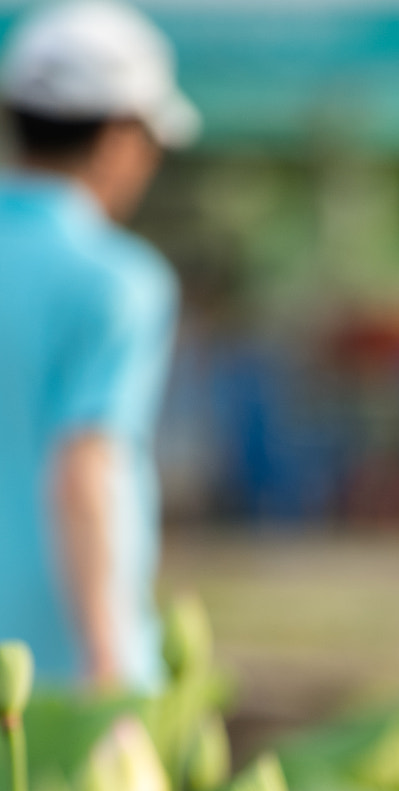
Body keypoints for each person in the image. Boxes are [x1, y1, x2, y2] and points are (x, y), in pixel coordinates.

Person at [0, 0, 194, 691]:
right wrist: (109, 656)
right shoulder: (117, 281)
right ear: (120, 137)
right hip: (57, 661)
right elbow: (86, 467)